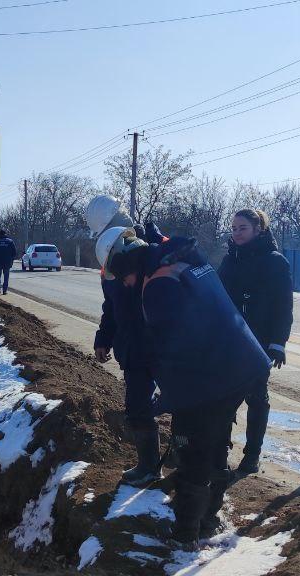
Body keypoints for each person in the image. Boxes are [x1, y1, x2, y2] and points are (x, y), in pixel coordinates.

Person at [99, 227, 270, 548]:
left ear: (128, 268)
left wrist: (172, 401)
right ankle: (207, 518)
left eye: (123, 279)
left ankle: (186, 534)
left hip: (215, 370)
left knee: (191, 446)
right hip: (244, 361)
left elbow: (177, 350)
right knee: (216, 440)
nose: (124, 285)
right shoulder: (182, 260)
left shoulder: (158, 284)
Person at [218, 209, 293, 475]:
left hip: (259, 342)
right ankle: (219, 451)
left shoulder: (275, 262)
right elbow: (218, 300)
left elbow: (283, 306)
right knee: (223, 397)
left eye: (243, 228)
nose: (237, 233)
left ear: (258, 229)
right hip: (230, 341)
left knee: (256, 399)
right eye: (234, 228)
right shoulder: (229, 261)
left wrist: (278, 343)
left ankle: (252, 456)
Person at [94, 221, 168, 487]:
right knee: (137, 407)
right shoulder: (111, 276)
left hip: (159, 350)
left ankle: (188, 468)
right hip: (133, 350)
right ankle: (148, 466)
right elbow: (110, 310)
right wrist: (103, 339)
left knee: (181, 407)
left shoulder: (152, 266)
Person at [0, 229, 17, 294]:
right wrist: (11, 260)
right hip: (7, 262)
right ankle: (4, 290)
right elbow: (14, 253)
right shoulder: (10, 242)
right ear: (5, 234)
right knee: (6, 276)